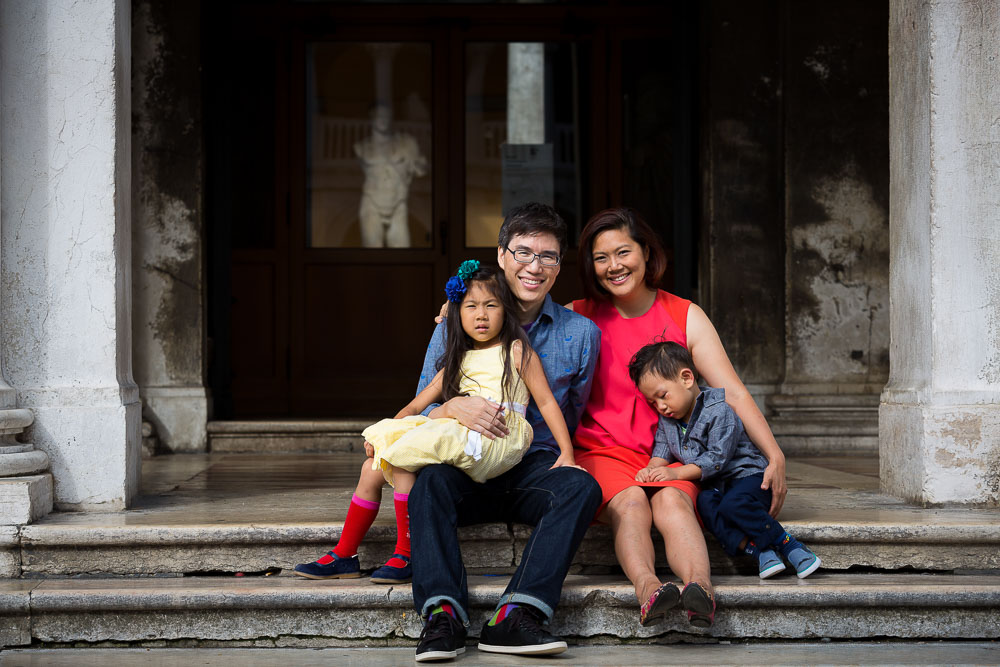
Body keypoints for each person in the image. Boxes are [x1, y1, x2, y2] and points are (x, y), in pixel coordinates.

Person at [569, 207, 788, 629]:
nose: (614, 266)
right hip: (603, 452)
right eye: (601, 257)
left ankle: (700, 591)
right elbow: (512, 327)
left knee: (672, 502)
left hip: (674, 454)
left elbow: (732, 391)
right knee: (631, 503)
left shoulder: (683, 314)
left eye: (623, 252)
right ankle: (650, 590)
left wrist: (773, 454)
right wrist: (457, 315)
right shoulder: (576, 314)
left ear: (646, 252)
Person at [293, 262, 579, 585]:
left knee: (403, 460)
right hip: (457, 433)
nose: (481, 315)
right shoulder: (457, 361)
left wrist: (566, 453)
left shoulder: (517, 351)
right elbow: (416, 406)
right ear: (457, 313)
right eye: (471, 306)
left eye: (491, 305)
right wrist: (386, 435)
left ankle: (407, 554)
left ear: (506, 310)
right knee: (371, 468)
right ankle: (345, 554)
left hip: (495, 437)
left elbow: (545, 402)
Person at [409, 203, 602, 662]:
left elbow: (569, 414)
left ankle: (515, 616)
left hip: (529, 464)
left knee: (580, 487)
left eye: (548, 256)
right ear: (501, 255)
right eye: (523, 252)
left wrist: (563, 456)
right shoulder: (456, 320)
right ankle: (443, 616)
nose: (534, 266)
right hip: (465, 464)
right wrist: (452, 407)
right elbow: (422, 409)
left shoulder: (580, 335)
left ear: (560, 265)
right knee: (430, 483)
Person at [629, 341, 821, 582]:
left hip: (749, 478)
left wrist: (676, 474)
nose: (661, 406)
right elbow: (662, 450)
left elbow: (716, 459)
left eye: (662, 396)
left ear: (686, 379)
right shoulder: (668, 420)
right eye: (653, 403)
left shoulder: (719, 411)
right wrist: (653, 468)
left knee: (733, 505)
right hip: (718, 486)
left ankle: (789, 545)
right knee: (706, 505)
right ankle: (758, 550)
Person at [355, 104, 428, 248]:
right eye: (379, 116)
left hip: (398, 201)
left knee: (402, 248)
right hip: (372, 200)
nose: (383, 120)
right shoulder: (362, 146)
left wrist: (418, 162)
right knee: (371, 249)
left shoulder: (406, 144)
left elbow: (421, 169)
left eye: (387, 116)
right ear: (372, 119)